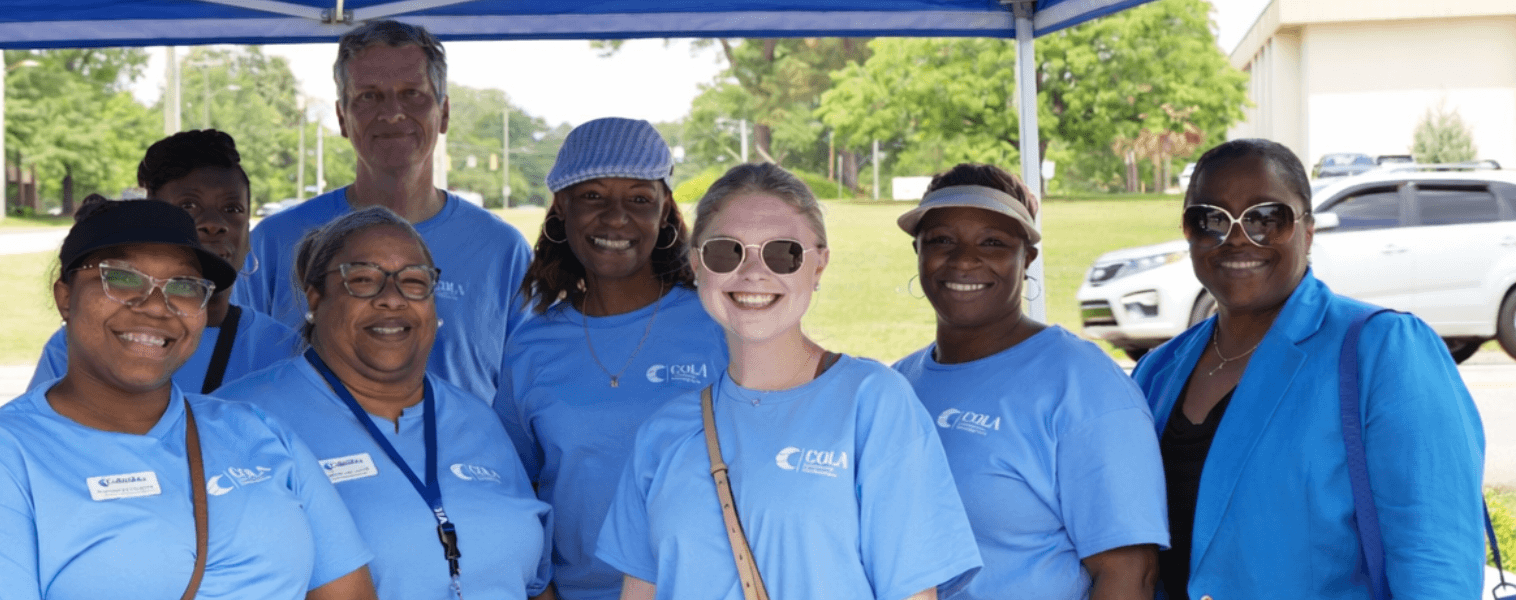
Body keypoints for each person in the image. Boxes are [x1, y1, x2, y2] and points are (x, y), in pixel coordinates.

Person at [0, 200, 377, 599]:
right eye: (121, 278)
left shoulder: (259, 433)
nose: (156, 305)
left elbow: (347, 591)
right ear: (64, 296)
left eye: (183, 286)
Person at [596, 164, 981, 600]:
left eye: (783, 252)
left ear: (818, 265)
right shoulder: (663, 433)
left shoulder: (873, 402)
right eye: (727, 252)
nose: (753, 272)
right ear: (697, 264)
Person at [1134, 138, 1486, 599]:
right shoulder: (1157, 374)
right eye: (1211, 219)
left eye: (1266, 217)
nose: (1237, 236)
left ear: (1308, 230)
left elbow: (1435, 563)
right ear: (1188, 232)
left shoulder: (1381, 350)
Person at [219, 206, 552, 600]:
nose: (392, 300)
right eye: (362, 280)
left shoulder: (478, 420)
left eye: (413, 282)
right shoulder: (239, 421)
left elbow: (535, 585)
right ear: (315, 296)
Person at [890, 164, 1165, 600]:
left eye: (993, 243)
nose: (963, 259)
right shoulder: (894, 387)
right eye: (942, 240)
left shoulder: (1082, 385)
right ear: (918, 252)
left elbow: (1130, 573)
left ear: (1027, 258)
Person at [492, 117, 727, 600]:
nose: (616, 217)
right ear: (561, 209)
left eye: (639, 198)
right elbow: (513, 491)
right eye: (593, 196)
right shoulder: (531, 346)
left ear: (665, 212)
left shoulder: (719, 324)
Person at [241, 19, 531, 402]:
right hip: (307, 458)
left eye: (412, 94)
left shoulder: (502, 249)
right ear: (343, 117)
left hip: (456, 460)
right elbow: (242, 377)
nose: (392, 112)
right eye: (369, 97)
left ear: (443, 113)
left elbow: (525, 393)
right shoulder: (274, 241)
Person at [28, 130, 298, 393]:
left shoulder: (284, 351)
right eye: (188, 206)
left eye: (233, 210)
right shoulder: (83, 342)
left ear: (248, 235)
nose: (214, 224)